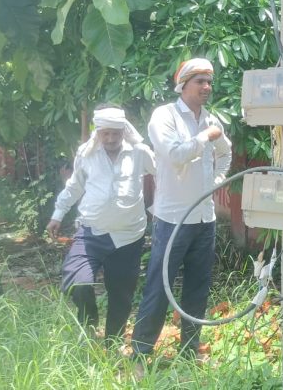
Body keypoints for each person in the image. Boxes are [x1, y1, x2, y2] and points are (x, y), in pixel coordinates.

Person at [131, 58, 232, 361]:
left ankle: (189, 352)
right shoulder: (165, 116)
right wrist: (204, 138)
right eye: (200, 81)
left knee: (197, 288)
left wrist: (215, 181)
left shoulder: (211, 120)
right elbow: (175, 155)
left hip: (205, 219)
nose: (207, 87)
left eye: (209, 81)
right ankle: (140, 354)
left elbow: (226, 154)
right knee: (159, 289)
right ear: (183, 84)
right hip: (172, 218)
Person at [46, 105, 155, 345]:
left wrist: (160, 211)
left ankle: (113, 342)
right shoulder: (87, 153)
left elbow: (162, 173)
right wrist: (58, 214)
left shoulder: (138, 152)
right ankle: (89, 321)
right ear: (98, 131)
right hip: (91, 232)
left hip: (128, 236)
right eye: (106, 133)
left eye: (116, 133)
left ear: (124, 130)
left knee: (121, 295)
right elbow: (75, 185)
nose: (111, 139)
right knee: (78, 282)